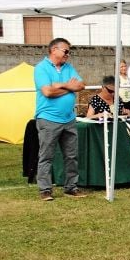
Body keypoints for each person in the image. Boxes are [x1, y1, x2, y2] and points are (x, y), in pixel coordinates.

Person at [34, 38, 87, 201]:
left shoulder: (69, 67)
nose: (68, 54)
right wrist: (69, 88)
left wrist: (60, 85)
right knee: (46, 155)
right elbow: (48, 92)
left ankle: (71, 187)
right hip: (48, 119)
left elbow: (81, 85)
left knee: (71, 155)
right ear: (54, 49)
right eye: (66, 51)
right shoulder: (41, 68)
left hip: (69, 119)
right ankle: (45, 189)